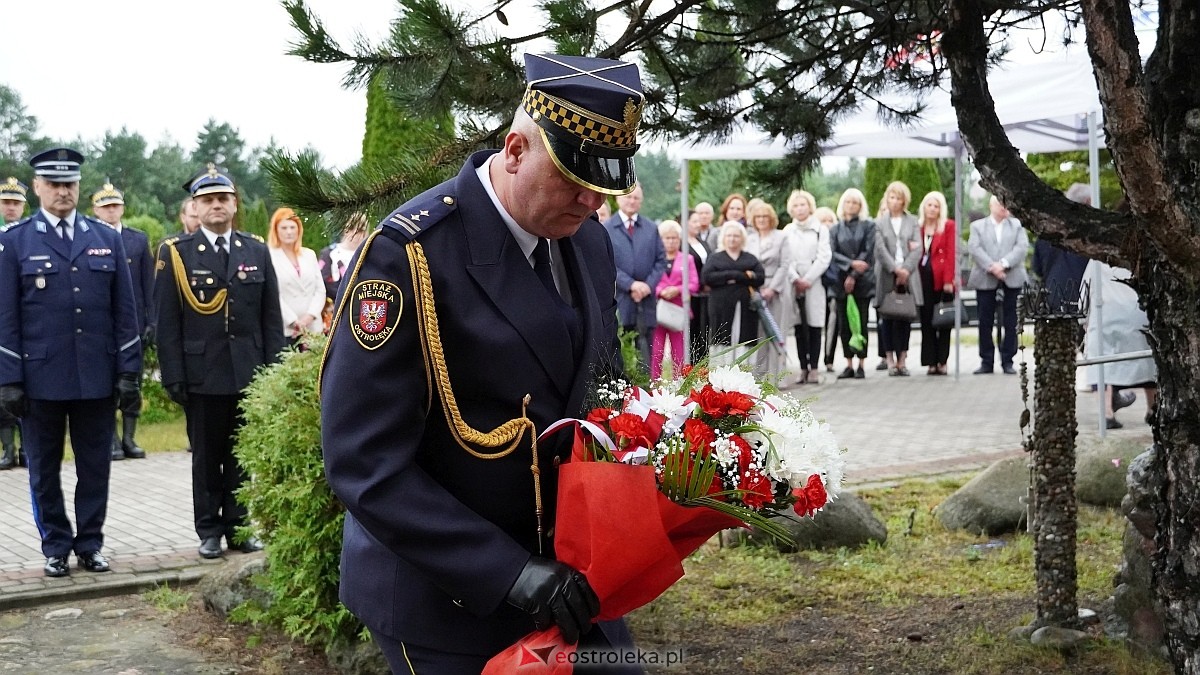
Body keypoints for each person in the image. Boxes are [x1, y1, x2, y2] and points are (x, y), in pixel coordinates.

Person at [320, 53, 640, 673]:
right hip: (449, 597)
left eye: (602, 184)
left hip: (572, 578)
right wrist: (511, 573)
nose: (589, 200)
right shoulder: (409, 255)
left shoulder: (588, 239)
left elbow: (601, 387)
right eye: (572, 177)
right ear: (515, 150)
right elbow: (364, 461)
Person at [0, 147, 142, 577]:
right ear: (38, 188)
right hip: (39, 377)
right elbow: (6, 316)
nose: (63, 191)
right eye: (54, 184)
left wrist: (128, 370)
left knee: (95, 467)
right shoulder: (14, 241)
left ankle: (91, 543)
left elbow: (125, 312)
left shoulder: (106, 238)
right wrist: (9, 378)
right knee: (43, 470)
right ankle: (56, 546)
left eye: (70, 184)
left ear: (79, 187)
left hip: (96, 375)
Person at [156, 164, 284, 559]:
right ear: (195, 206)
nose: (216, 206)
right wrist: (174, 375)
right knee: (208, 460)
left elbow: (270, 319)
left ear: (234, 204)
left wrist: (273, 372)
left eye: (223, 199)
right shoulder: (176, 254)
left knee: (242, 458)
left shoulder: (255, 250)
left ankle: (241, 528)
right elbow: (166, 322)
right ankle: (209, 530)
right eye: (208, 200)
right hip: (202, 374)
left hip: (248, 372)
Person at [91, 183, 153, 459]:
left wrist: (152, 321)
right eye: (105, 207)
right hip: (102, 326)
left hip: (134, 325)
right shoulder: (90, 239)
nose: (111, 211)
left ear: (122, 208)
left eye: (115, 206)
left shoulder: (138, 240)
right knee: (106, 386)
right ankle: (112, 440)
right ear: (96, 210)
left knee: (132, 384)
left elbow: (148, 285)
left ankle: (130, 438)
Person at [1081, 260, 1157, 428]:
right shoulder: (1139, 254)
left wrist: (1083, 318)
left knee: (1103, 363)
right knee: (1149, 362)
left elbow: (1085, 288)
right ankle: (1153, 408)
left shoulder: (1097, 259)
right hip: (1138, 312)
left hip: (1106, 314)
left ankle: (1107, 413)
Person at [604, 182, 665, 371]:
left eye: (636, 198)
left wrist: (647, 285)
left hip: (646, 303)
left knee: (645, 356)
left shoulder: (650, 228)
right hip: (620, 300)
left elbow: (660, 260)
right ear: (618, 198)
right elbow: (606, 263)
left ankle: (646, 391)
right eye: (628, 197)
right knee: (622, 352)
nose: (632, 201)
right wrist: (630, 285)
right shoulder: (607, 228)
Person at [967, 195, 1029, 375]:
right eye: (1000, 203)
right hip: (985, 278)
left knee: (1012, 321)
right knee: (985, 321)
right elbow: (975, 249)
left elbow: (1021, 248)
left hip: (1012, 278)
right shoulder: (977, 227)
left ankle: (1007, 360)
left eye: (1007, 204)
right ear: (991, 205)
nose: (1004, 207)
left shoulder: (1017, 226)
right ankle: (986, 361)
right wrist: (992, 267)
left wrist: (1003, 264)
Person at [873, 181, 921, 376]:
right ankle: (890, 359)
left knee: (905, 318)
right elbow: (879, 248)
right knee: (887, 318)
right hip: (886, 275)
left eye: (898, 198)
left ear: (904, 201)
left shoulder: (912, 221)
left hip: (908, 275)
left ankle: (903, 360)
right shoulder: (879, 222)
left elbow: (917, 248)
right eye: (891, 197)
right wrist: (894, 269)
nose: (894, 201)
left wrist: (906, 270)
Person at [782, 190, 831, 385]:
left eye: (803, 204)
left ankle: (814, 369)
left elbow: (824, 256)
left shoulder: (820, 229)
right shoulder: (787, 231)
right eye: (796, 205)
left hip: (814, 283)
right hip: (793, 283)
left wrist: (808, 279)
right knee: (799, 327)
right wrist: (795, 278)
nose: (800, 208)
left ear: (810, 206)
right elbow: (785, 258)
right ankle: (802, 367)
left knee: (814, 325)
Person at [828, 188, 876, 379]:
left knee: (861, 322)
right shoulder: (835, 229)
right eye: (848, 202)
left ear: (860, 205)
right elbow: (832, 253)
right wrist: (849, 265)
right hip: (839, 282)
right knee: (844, 324)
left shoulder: (868, 226)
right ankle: (848, 362)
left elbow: (868, 251)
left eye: (855, 202)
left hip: (862, 281)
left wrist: (855, 273)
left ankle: (862, 363)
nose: (851, 205)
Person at [704, 221, 765, 367]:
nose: (732, 239)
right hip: (720, 306)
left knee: (744, 338)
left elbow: (760, 277)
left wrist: (727, 277)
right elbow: (707, 278)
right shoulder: (715, 258)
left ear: (742, 238)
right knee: (721, 337)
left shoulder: (750, 258)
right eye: (729, 235)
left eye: (736, 236)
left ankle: (744, 371)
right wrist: (741, 275)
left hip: (745, 307)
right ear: (723, 238)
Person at [745, 200, 792, 381]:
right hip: (755, 290)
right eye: (758, 217)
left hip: (777, 289)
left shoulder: (781, 237)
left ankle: (778, 376)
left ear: (771, 218)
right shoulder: (749, 239)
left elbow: (785, 264)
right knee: (758, 334)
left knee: (776, 331)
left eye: (765, 216)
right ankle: (758, 376)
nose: (762, 220)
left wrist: (772, 288)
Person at [0, 177, 29, 469]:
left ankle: (26, 450)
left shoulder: (28, 236)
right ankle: (7, 450)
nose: (10, 208)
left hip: (23, 322)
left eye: (15, 203)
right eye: (6, 202)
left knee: (25, 389)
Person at [267, 207, 326, 343]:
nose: (289, 232)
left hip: (312, 328)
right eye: (284, 228)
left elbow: (320, 289)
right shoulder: (269, 256)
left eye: (292, 227)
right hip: (287, 329)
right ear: (276, 230)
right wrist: (294, 322)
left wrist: (310, 316)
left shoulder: (309, 254)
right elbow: (272, 293)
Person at [1032, 183, 1091, 315]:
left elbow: (1037, 268)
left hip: (1053, 299)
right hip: (1084, 301)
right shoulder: (1091, 234)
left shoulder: (1046, 232)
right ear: (1088, 202)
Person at [651, 219, 700, 379]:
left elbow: (694, 284)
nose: (671, 241)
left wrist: (677, 290)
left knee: (679, 352)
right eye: (667, 238)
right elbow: (650, 280)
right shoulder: (655, 258)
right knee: (656, 351)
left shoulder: (688, 259)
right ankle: (654, 385)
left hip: (679, 311)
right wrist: (660, 291)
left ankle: (679, 384)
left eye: (674, 238)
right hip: (659, 310)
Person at [915, 191, 957, 375]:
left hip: (942, 280)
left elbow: (951, 254)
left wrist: (949, 280)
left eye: (936, 205)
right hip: (922, 279)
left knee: (943, 321)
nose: (932, 208)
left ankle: (943, 361)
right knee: (926, 321)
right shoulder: (918, 227)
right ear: (924, 207)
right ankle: (930, 361)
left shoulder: (948, 226)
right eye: (929, 205)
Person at [813, 206, 840, 373]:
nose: (828, 224)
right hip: (816, 287)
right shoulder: (814, 240)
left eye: (830, 220)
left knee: (832, 324)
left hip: (832, 289)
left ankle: (829, 358)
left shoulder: (837, 240)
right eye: (824, 220)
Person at [685, 209, 712, 362]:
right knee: (693, 333)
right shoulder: (683, 244)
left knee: (704, 334)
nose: (698, 224)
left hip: (706, 295)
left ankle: (703, 367)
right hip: (692, 295)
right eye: (694, 221)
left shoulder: (703, 242)